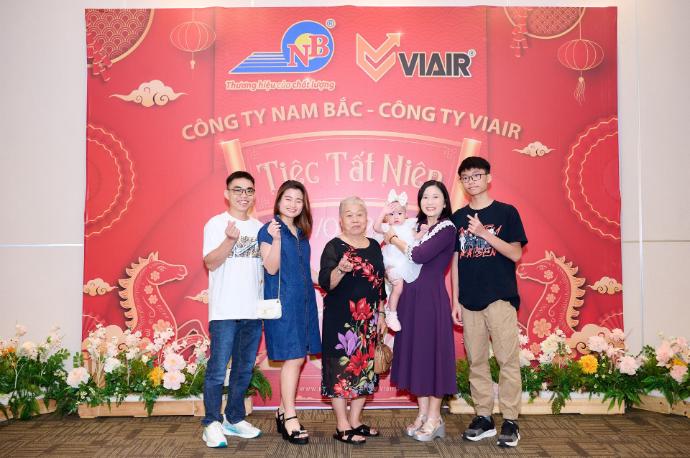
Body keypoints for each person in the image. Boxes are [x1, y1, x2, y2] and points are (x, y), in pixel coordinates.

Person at [450, 156, 527, 448]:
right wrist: (455, 299)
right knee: (476, 360)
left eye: (477, 175)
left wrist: (484, 234)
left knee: (507, 359)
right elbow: (455, 261)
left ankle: (510, 420)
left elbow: (516, 253)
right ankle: (483, 417)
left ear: (488, 177)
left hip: (500, 297)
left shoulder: (506, 213)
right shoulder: (457, 217)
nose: (472, 181)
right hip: (469, 300)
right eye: (466, 177)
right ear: (462, 182)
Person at [386, 180, 457, 442]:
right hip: (410, 299)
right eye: (425, 197)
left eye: (435, 196)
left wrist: (393, 239)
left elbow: (418, 255)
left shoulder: (447, 228)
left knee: (432, 356)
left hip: (430, 299)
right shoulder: (417, 226)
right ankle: (423, 413)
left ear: (445, 201)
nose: (430, 202)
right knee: (419, 357)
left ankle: (435, 417)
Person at [200, 171, 263, 448]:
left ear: (254, 195)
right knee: (217, 370)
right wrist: (229, 240)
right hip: (225, 311)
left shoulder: (260, 227)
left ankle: (234, 418)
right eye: (237, 190)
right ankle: (211, 422)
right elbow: (210, 263)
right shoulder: (216, 224)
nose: (243, 195)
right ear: (227, 194)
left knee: (244, 369)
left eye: (248, 190)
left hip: (253, 311)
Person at [318, 196, 387, 445]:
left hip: (369, 321)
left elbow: (380, 285)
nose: (355, 219)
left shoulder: (374, 246)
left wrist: (381, 314)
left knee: (365, 372)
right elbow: (326, 283)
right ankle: (342, 425)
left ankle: (356, 420)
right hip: (341, 323)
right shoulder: (334, 247)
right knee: (340, 373)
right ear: (341, 220)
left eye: (359, 214)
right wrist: (341, 269)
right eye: (349, 215)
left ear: (366, 218)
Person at [257, 180, 321, 445]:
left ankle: (283, 411)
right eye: (288, 199)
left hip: (304, 304)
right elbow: (271, 267)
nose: (293, 204)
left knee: (299, 358)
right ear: (279, 201)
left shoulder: (301, 233)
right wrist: (276, 240)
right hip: (283, 305)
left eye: (298, 200)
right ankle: (290, 416)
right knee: (294, 358)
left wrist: (331, 279)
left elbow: (306, 270)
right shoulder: (269, 229)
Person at [372, 189, 424, 332]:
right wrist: (383, 211)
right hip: (392, 262)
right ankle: (391, 314)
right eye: (391, 214)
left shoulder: (409, 225)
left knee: (406, 289)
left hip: (405, 263)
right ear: (387, 217)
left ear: (405, 215)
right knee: (398, 286)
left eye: (400, 213)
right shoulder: (387, 227)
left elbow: (416, 237)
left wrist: (423, 232)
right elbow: (376, 227)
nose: (396, 217)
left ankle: (394, 309)